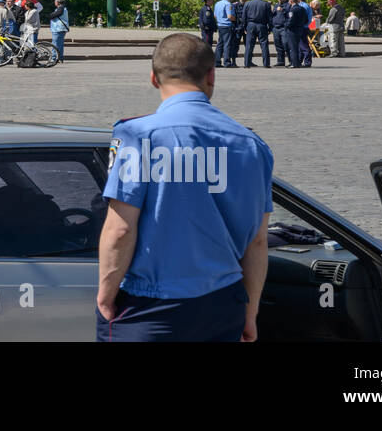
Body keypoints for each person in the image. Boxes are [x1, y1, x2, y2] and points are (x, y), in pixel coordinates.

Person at [97, 34, 273, 342]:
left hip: (150, 305)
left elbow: (121, 229)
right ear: (211, 75)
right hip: (222, 302)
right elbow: (257, 242)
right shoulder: (252, 145)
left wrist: (105, 295)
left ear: (154, 78)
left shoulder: (138, 136)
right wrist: (250, 311)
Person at [240, 0, 272, 68]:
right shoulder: (266, 4)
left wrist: (244, 27)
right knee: (264, 45)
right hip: (262, 25)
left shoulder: (247, 4)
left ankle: (247, 64)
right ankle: (266, 64)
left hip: (250, 25)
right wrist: (270, 28)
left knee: (249, 45)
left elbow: (243, 17)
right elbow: (270, 18)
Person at [286, 0, 311, 68]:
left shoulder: (293, 9)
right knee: (297, 47)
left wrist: (286, 25)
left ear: (291, 1)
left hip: (293, 30)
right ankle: (297, 62)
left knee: (293, 48)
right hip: (300, 29)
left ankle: (294, 63)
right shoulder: (302, 9)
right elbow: (306, 20)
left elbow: (291, 21)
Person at [213, 0, 237, 68]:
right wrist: (236, 19)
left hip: (220, 25)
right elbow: (229, 16)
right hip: (227, 26)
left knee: (220, 44)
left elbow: (215, 16)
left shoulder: (217, 3)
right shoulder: (228, 4)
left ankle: (217, 61)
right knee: (227, 44)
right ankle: (227, 62)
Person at [270, 0, 290, 67]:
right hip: (276, 28)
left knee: (286, 44)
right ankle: (280, 61)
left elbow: (290, 16)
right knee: (278, 45)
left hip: (283, 28)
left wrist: (283, 10)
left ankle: (291, 61)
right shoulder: (276, 5)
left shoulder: (288, 6)